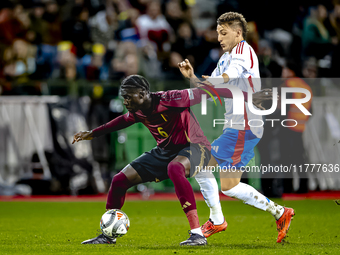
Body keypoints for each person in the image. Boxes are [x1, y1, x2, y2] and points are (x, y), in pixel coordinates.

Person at [72, 74, 271, 246]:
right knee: (119, 180)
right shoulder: (137, 111)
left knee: (175, 168)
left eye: (127, 96)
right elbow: (120, 122)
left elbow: (209, 92)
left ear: (142, 94)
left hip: (195, 147)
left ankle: (197, 234)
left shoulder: (173, 98)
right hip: (165, 151)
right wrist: (93, 133)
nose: (125, 101)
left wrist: (249, 97)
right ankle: (108, 236)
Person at [178, 12, 295, 243]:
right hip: (238, 127)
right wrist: (192, 77)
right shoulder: (225, 58)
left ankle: (217, 220)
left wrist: (216, 81)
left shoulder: (243, 50)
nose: (219, 38)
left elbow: (229, 76)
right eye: (217, 33)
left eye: (224, 32)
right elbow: (210, 91)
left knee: (199, 163)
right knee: (229, 186)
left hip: (245, 125)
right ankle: (281, 212)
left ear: (238, 32)